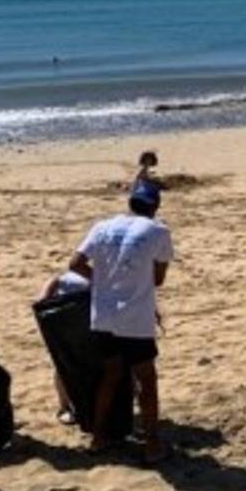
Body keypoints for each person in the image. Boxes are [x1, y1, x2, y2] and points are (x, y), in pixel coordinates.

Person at [69, 180, 174, 461]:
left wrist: (102, 282)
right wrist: (132, 282)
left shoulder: (102, 227)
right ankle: (152, 444)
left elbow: (75, 263)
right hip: (135, 317)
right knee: (146, 380)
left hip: (103, 315)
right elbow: (159, 278)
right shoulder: (158, 231)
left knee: (111, 375)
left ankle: (99, 437)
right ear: (155, 207)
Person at [38, 269, 91, 425]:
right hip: (66, 320)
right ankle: (65, 407)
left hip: (90, 321)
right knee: (64, 365)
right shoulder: (69, 278)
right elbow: (51, 286)